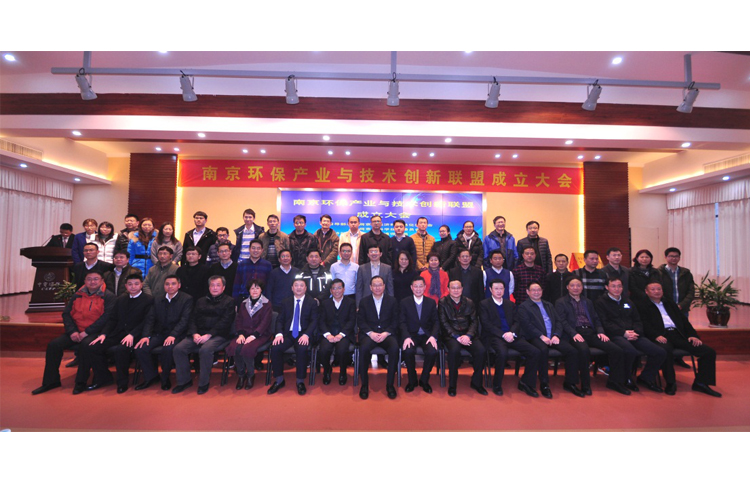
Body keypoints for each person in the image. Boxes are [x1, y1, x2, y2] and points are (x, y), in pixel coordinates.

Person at [31, 271, 116, 395]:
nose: (92, 282)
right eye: (89, 279)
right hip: (76, 331)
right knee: (54, 345)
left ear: (102, 281)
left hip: (95, 332)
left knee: (85, 346)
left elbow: (107, 318)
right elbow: (66, 314)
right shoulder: (77, 294)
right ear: (85, 281)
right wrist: (72, 331)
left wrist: (87, 332)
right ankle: (50, 381)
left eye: (96, 279)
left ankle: (80, 382)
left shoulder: (108, 296)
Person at [637, 282, 721, 397]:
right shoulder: (642, 305)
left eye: (659, 289)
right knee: (666, 351)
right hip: (661, 336)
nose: (656, 291)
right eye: (653, 289)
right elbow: (643, 323)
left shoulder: (670, 303)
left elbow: (684, 321)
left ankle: (701, 383)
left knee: (708, 351)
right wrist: (655, 335)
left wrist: (693, 335)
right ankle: (671, 383)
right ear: (646, 292)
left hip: (678, 334)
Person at [74, 274, 153, 394]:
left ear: (141, 285)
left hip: (137, 335)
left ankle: (122, 383)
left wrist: (132, 334)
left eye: (136, 284)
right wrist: (104, 334)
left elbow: (147, 321)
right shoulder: (121, 299)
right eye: (130, 284)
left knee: (121, 350)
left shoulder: (149, 300)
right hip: (118, 333)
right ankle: (103, 377)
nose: (133, 287)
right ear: (126, 286)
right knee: (92, 347)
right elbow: (113, 319)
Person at [556, 277, 628, 395]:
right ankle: (585, 384)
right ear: (567, 287)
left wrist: (600, 331)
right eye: (572, 285)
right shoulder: (561, 302)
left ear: (582, 287)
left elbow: (596, 318)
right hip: (574, 333)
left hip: (591, 332)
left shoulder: (587, 301)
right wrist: (573, 333)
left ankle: (614, 382)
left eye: (578, 285)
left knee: (616, 350)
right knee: (584, 351)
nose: (575, 288)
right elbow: (562, 321)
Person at [595, 277, 667, 393]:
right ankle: (623, 379)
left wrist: (636, 332)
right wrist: (623, 333)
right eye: (613, 286)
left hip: (633, 334)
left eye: (619, 286)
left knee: (659, 352)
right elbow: (605, 323)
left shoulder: (628, 301)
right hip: (614, 335)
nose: (617, 289)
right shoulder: (600, 302)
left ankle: (646, 378)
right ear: (607, 287)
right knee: (630, 351)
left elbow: (637, 320)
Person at [517, 281, 584, 398]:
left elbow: (558, 321)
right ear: (528, 292)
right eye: (533, 290)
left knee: (572, 351)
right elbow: (527, 325)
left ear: (542, 291)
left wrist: (556, 335)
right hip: (535, 337)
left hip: (553, 337)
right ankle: (544, 384)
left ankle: (570, 383)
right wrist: (541, 336)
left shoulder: (549, 305)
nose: (537, 292)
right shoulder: (524, 307)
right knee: (542, 351)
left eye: (539, 290)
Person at [172, 275, 236, 395]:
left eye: (218, 285)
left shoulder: (229, 301)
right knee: (179, 349)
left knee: (205, 349)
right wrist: (194, 333)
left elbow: (225, 322)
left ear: (223, 287)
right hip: (199, 334)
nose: (215, 288)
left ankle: (203, 383)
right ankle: (184, 381)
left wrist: (209, 335)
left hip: (219, 334)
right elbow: (192, 319)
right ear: (209, 287)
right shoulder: (201, 301)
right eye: (212, 285)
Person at [479, 279, 541, 397]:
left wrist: (511, 333)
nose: (499, 291)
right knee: (502, 353)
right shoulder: (484, 304)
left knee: (534, 351)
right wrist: (503, 334)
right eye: (496, 288)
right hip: (495, 336)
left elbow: (517, 321)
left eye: (501, 288)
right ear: (490, 290)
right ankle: (497, 384)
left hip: (511, 336)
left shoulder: (510, 304)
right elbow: (486, 324)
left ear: (504, 290)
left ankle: (525, 382)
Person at [134, 274, 193, 391]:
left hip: (177, 334)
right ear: (164, 286)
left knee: (168, 349)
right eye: (167, 284)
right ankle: (151, 376)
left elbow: (184, 320)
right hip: (159, 333)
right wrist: (146, 336)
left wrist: (173, 335)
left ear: (179, 285)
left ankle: (165, 378)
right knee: (141, 348)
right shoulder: (157, 299)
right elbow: (150, 319)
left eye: (173, 284)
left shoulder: (187, 299)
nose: (170, 286)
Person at [268, 278, 318, 395]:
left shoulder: (312, 302)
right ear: (292, 288)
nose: (299, 288)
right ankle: (279, 380)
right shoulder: (286, 302)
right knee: (275, 348)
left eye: (301, 285)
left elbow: (314, 321)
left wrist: (306, 334)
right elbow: (280, 320)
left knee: (302, 349)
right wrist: (279, 334)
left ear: (306, 288)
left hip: (303, 333)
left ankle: (300, 381)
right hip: (288, 334)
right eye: (296, 285)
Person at [439, 280, 487, 397]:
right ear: (448, 289)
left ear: (462, 289)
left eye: (458, 288)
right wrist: (457, 336)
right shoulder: (443, 302)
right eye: (453, 288)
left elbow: (474, 321)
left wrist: (468, 335)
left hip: (468, 334)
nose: (456, 290)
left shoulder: (469, 302)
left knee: (481, 351)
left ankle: (476, 382)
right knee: (454, 351)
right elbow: (444, 323)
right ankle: (452, 385)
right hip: (451, 336)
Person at [357, 276, 400, 400]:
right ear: (370, 287)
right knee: (363, 349)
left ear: (384, 286)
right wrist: (371, 333)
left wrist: (386, 333)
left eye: (380, 285)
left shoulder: (392, 301)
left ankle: (390, 385)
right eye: (375, 285)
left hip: (386, 334)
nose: (377, 287)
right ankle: (364, 385)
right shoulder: (364, 301)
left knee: (394, 348)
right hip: (370, 334)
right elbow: (361, 321)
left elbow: (395, 320)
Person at [228, 279, 273, 390]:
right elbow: (239, 320)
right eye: (252, 288)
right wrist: (241, 334)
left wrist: (254, 335)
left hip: (261, 334)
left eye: (257, 288)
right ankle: (241, 375)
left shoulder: (267, 303)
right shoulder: (243, 303)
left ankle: (250, 375)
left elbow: (265, 322)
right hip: (245, 333)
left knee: (247, 348)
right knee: (235, 347)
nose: (255, 290)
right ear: (249, 290)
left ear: (261, 290)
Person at [399, 276, 439, 394]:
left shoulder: (431, 302)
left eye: (420, 286)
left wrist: (433, 336)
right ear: (411, 287)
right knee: (408, 351)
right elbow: (401, 322)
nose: (418, 289)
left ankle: (424, 380)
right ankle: (412, 380)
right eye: (415, 286)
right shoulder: (404, 302)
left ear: (425, 287)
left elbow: (436, 322)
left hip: (427, 335)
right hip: (411, 335)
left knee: (432, 351)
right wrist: (406, 337)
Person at [318, 279, 356, 386]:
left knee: (342, 350)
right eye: (334, 288)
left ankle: (343, 372)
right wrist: (327, 335)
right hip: (328, 334)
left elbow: (351, 321)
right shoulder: (325, 303)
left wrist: (341, 335)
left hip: (344, 334)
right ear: (330, 290)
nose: (337, 291)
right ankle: (327, 370)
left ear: (344, 289)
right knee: (323, 350)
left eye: (339, 288)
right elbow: (321, 321)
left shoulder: (350, 303)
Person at [658, 247, 696, 317]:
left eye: (676, 256)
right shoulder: (659, 273)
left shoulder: (686, 273)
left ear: (679, 258)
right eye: (671, 256)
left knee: (682, 324)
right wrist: (668, 305)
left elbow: (691, 291)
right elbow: (657, 291)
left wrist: (681, 305)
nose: (674, 258)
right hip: (665, 308)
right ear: (665, 257)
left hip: (682, 309)